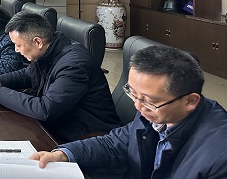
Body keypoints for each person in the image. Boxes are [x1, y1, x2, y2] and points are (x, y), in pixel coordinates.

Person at [31, 45, 227, 178]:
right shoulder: (154, 114)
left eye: (149, 101)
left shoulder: (220, 156)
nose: (138, 107)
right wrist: (64, 154)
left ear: (190, 101)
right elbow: (113, 143)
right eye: (133, 94)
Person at [0, 11, 120, 142]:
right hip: (63, 123)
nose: (16, 50)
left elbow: (45, 109)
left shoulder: (73, 65)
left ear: (38, 42)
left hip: (87, 136)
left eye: (18, 45)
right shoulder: (49, 50)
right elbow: (28, 74)